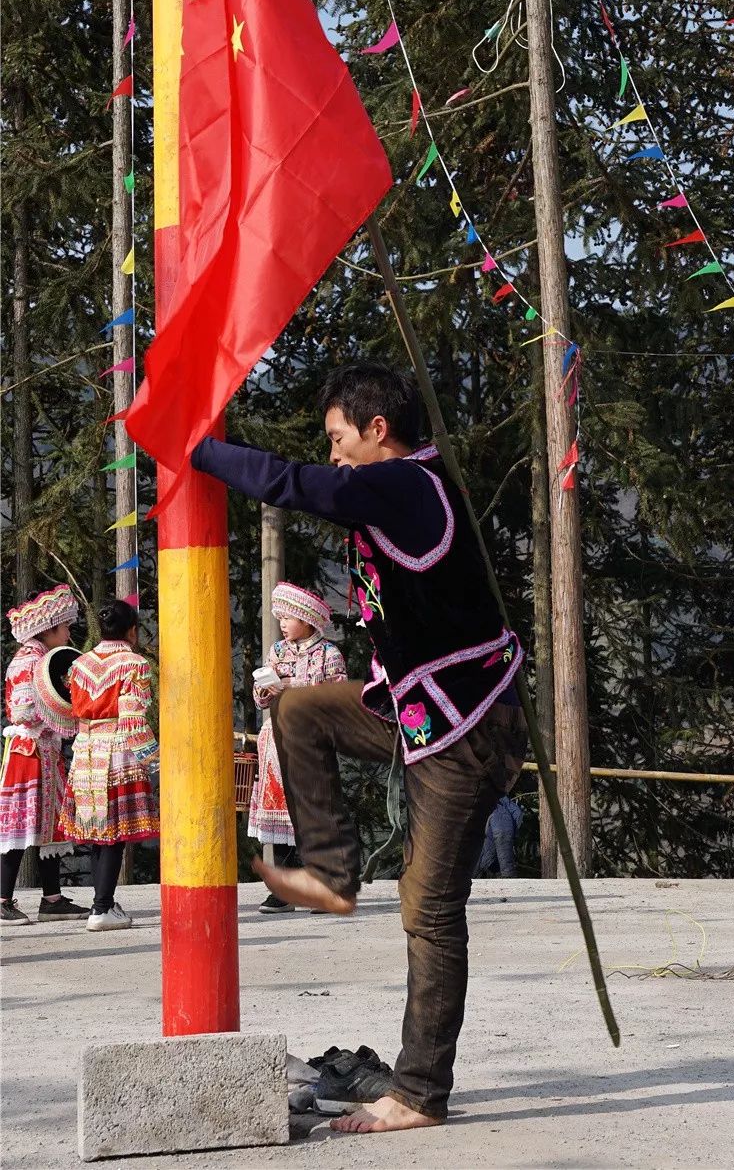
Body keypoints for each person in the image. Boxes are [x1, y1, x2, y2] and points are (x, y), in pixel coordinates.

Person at [191, 360, 527, 1134]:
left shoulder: (406, 484)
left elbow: (302, 486)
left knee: (430, 908)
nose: (335, 455)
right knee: (302, 712)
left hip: (465, 724)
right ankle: (334, 870)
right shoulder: (405, 483)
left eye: (340, 439)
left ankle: (417, 1092)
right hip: (418, 707)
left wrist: (199, 449)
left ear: (379, 430)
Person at [59, 599, 159, 931]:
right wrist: (154, 759)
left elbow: (69, 712)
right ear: (131, 631)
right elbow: (133, 719)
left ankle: (101, 904)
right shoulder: (134, 664)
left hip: (85, 750)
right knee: (114, 833)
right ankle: (102, 907)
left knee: (95, 829)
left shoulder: (80, 664)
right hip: (117, 749)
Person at [251, 581, 347, 914]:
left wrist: (293, 686)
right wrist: (265, 688)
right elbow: (260, 698)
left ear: (307, 619)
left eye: (288, 618)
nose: (283, 624)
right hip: (276, 740)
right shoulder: (277, 652)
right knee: (280, 815)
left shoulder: (329, 654)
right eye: (280, 619)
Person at [1, 585, 88, 924]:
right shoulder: (28, 661)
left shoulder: (38, 658)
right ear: (48, 629)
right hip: (29, 752)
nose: (68, 633)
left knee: (49, 825)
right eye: (64, 627)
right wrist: (60, 709)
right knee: (21, 823)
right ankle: (3, 897)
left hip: (44, 751)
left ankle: (51, 899)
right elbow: (22, 712)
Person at [475, 794, 524, 879]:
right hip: (476, 865)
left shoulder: (492, 804)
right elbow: (502, 835)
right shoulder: (499, 808)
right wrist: (508, 873)